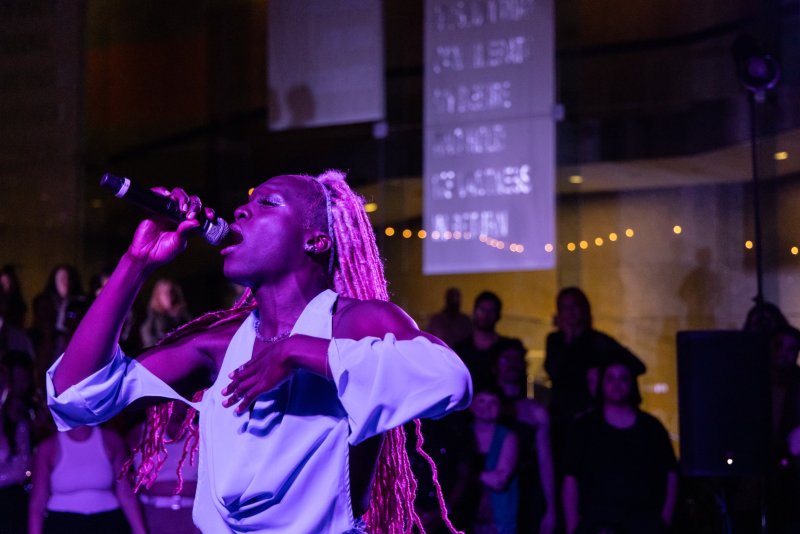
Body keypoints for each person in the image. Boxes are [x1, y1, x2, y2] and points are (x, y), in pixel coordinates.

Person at [46, 170, 472, 533]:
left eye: (268, 203)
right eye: (246, 203)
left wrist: (297, 351)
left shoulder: (355, 322)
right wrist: (137, 262)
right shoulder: (218, 343)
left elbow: (450, 380)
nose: (241, 211)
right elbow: (75, 394)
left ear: (316, 241)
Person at [562, 358, 678, 534]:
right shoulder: (584, 428)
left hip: (644, 524)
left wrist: (664, 521)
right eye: (610, 378)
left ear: (632, 384)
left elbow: (671, 473)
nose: (617, 384)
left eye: (623, 378)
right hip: (596, 524)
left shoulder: (651, 427)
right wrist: (573, 526)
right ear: (601, 383)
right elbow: (571, 478)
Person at [544, 287, 645, 428]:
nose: (570, 311)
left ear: (584, 309)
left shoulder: (599, 341)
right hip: (562, 416)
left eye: (574, 305)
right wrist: (568, 338)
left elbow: (637, 366)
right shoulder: (555, 341)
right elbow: (553, 371)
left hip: (594, 414)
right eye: (564, 307)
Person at [28, 425, 147, 534]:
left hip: (108, 522)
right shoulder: (48, 447)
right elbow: (38, 502)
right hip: (63, 524)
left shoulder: (112, 440)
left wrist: (140, 531)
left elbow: (125, 492)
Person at [494, 339, 556, 534]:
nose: (512, 363)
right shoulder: (481, 406)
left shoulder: (536, 412)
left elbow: (545, 462)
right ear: (495, 366)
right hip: (488, 492)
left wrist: (551, 508)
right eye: (506, 359)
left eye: (517, 359)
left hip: (525, 492)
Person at [455, 291, 516, 392]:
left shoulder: (508, 348)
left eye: (491, 311)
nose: (486, 315)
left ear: (498, 315)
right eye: (482, 310)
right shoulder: (461, 348)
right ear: (474, 312)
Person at [139, 278, 192, 348]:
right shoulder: (152, 322)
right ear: (158, 296)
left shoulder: (183, 315)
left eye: (172, 292)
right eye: (165, 293)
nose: (169, 296)